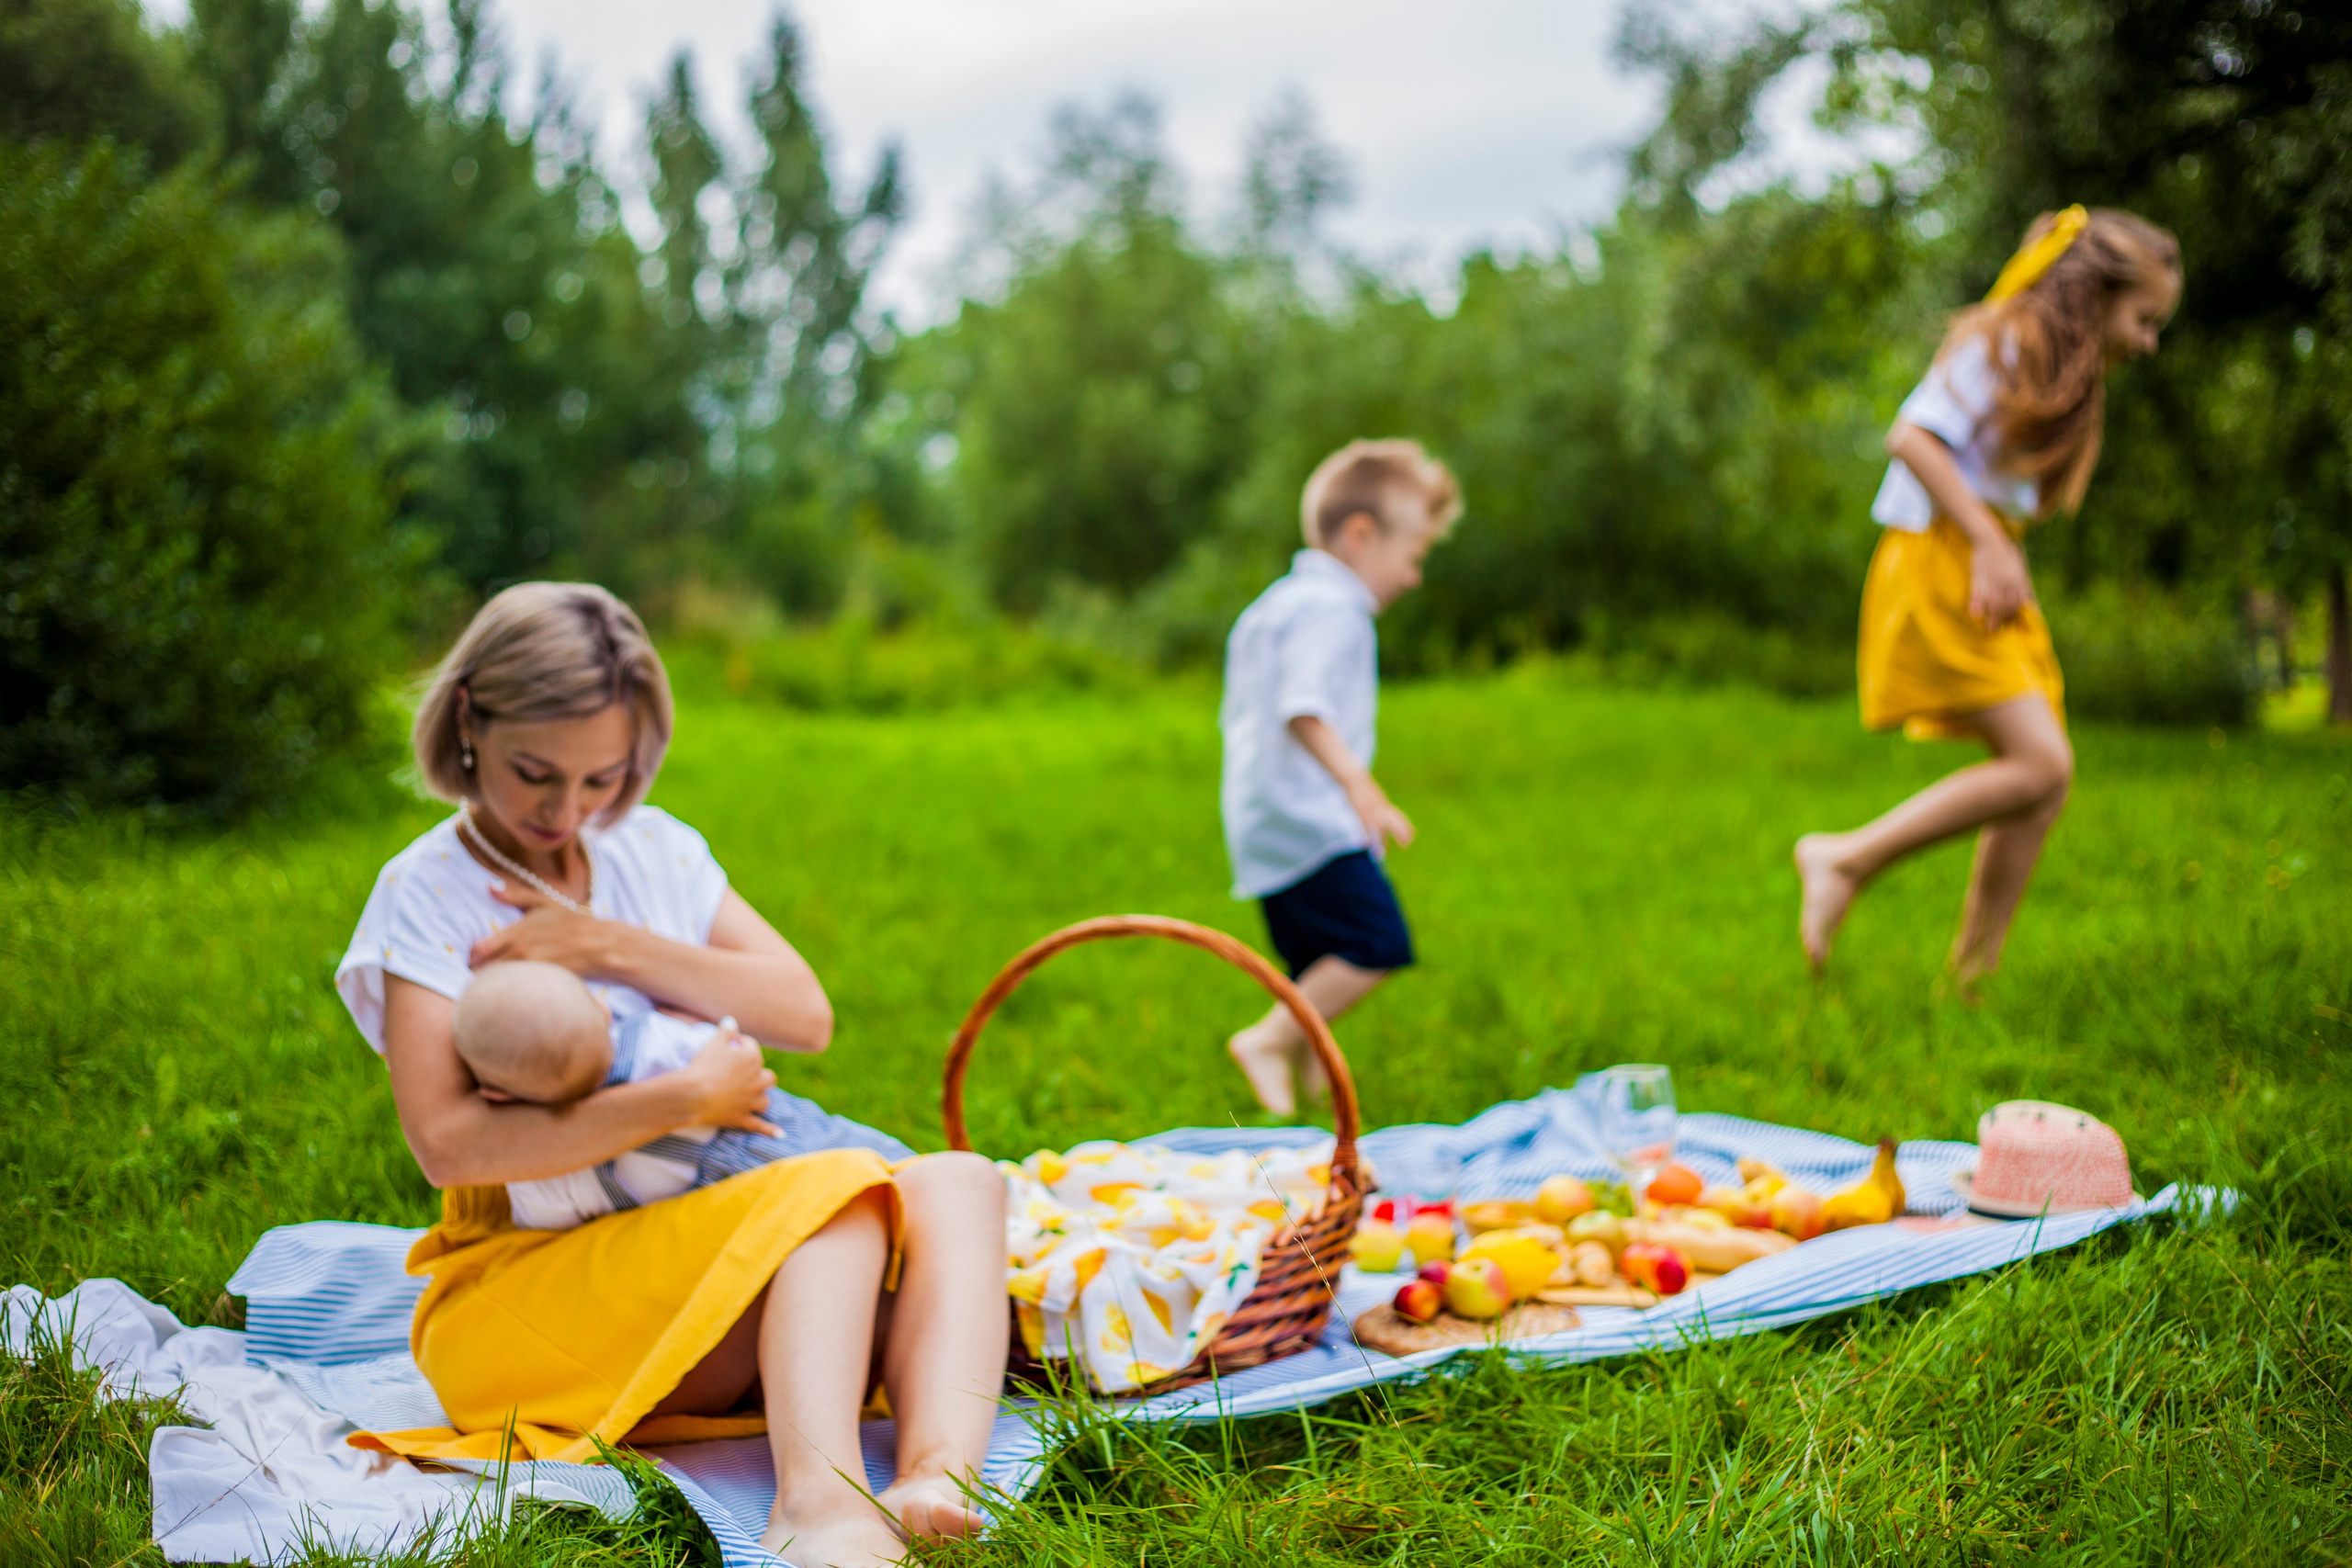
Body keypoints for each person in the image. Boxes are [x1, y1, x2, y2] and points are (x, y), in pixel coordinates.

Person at [334, 582, 1005, 1568]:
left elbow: (802, 1013)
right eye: (536, 774)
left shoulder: (648, 850)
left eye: (601, 778)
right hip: (532, 1289)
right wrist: (684, 1100)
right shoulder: (425, 894)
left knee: (961, 1181)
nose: (567, 812)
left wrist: (602, 946)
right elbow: (448, 1145)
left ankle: (936, 1477)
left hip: (710, 1243)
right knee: (836, 1196)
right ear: (468, 717)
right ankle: (818, 1507)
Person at [1795, 207, 2182, 989]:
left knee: (2043, 779)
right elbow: (1911, 436)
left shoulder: (2046, 364)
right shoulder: (2002, 339)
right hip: (1943, 557)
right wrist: (1988, 540)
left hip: (1979, 558)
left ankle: (1972, 977)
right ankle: (1844, 857)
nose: (2149, 342)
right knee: (2042, 763)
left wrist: (1996, 542)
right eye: (2145, 319)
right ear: (2096, 294)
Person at [1219, 439, 1462, 1114]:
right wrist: (1360, 784)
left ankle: (1311, 1073)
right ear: (1361, 536)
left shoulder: (1280, 602)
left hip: (1263, 820)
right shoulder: (1333, 608)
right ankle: (1270, 1039)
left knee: (1321, 957)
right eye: (1413, 555)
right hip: (1310, 818)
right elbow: (1304, 705)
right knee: (1375, 940)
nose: (1413, 577)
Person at [449, 959, 913, 1232]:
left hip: (758, 1221)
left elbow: (547, 1234)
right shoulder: (655, 1039)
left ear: (496, 1094)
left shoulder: (549, 1175)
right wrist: (697, 1025)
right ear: (600, 1005)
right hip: (810, 1140)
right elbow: (735, 1049)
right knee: (908, 1179)